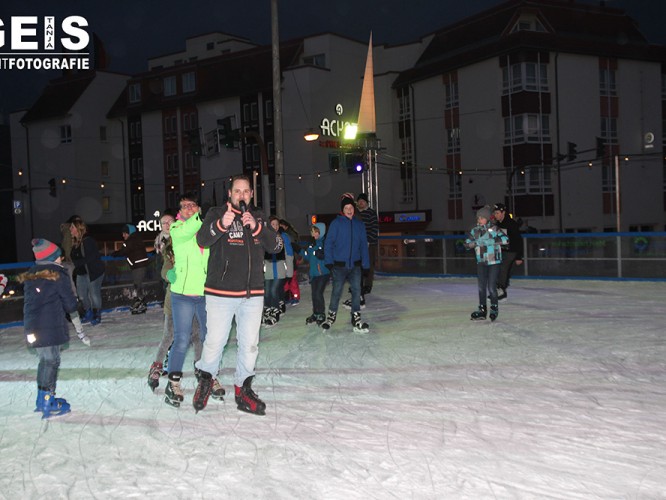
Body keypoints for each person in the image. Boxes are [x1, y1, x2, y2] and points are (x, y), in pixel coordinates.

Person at [192, 175, 283, 415]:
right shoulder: (216, 213)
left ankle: (243, 389)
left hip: (252, 294)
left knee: (250, 345)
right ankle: (206, 379)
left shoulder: (259, 217)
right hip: (221, 293)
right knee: (215, 341)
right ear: (230, 194)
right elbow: (202, 239)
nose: (241, 195)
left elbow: (277, 246)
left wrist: (258, 228)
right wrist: (221, 225)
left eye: (246, 191)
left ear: (251, 194)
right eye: (237, 191)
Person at [163, 194, 225, 407]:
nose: (189, 208)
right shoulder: (177, 228)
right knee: (182, 339)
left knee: (210, 338)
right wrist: (202, 216)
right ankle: (173, 383)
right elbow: (190, 228)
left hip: (205, 293)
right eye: (185, 206)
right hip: (182, 295)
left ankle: (209, 376)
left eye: (192, 205)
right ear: (180, 211)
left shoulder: (204, 229)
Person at [18, 238, 90, 419]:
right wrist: (78, 305)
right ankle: (48, 401)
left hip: (32, 327)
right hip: (49, 327)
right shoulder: (57, 274)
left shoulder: (31, 275)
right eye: (58, 255)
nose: (61, 258)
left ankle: (41, 399)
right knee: (52, 361)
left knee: (45, 362)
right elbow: (69, 304)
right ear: (52, 258)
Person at [322, 195, 370, 333]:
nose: (349, 210)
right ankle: (331, 317)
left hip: (355, 266)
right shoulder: (336, 223)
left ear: (354, 209)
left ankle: (356, 317)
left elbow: (363, 246)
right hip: (339, 266)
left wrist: (366, 265)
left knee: (356, 291)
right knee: (336, 292)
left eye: (351, 207)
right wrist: (329, 262)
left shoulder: (359, 225)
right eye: (346, 208)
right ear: (342, 210)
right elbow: (328, 243)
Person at [465, 205, 509, 321]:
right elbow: (467, 244)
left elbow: (506, 240)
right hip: (481, 262)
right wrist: (475, 243)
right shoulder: (475, 231)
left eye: (482, 218)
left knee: (491, 287)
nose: (479, 220)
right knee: (481, 287)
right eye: (478, 218)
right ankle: (482, 310)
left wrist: (491, 241)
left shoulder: (495, 229)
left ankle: (494, 308)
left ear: (487, 218)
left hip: (494, 261)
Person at [70, 218, 106, 326]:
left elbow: (91, 257)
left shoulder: (88, 240)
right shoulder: (75, 243)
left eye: (72, 227)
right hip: (81, 273)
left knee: (94, 294)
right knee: (81, 294)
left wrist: (77, 263)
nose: (70, 229)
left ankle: (96, 314)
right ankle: (88, 312)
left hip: (93, 272)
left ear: (78, 228)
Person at [113, 224, 150, 314]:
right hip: (140, 265)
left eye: (125, 233)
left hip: (138, 266)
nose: (123, 235)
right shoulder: (136, 238)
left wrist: (115, 253)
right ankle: (141, 303)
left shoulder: (131, 240)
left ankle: (140, 303)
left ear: (129, 233)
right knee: (138, 285)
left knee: (137, 285)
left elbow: (124, 250)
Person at [262, 216, 292, 326]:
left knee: (274, 290)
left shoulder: (283, 237)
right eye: (273, 224)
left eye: (277, 224)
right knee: (267, 291)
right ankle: (268, 309)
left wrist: (289, 271)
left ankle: (275, 311)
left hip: (280, 269)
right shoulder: (265, 237)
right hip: (268, 269)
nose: (275, 226)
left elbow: (289, 254)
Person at [300, 222, 330, 326]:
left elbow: (328, 256)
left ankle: (321, 313)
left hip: (323, 273)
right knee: (314, 294)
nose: (314, 234)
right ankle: (316, 313)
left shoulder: (325, 243)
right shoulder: (312, 244)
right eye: (312, 232)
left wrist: (323, 254)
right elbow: (308, 257)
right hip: (314, 273)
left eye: (316, 232)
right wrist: (300, 251)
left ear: (321, 232)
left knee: (318, 293)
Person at [493, 203, 524, 300]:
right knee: (497, 268)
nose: (495, 215)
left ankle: (501, 290)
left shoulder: (511, 224)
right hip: (502, 250)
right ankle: (499, 289)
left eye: (497, 213)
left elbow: (518, 240)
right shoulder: (498, 224)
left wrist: (519, 256)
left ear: (503, 213)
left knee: (503, 268)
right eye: (495, 213)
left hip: (511, 251)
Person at [355, 193, 378, 295]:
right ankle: (358, 285)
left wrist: (368, 241)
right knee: (357, 265)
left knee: (368, 265)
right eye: (359, 201)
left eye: (362, 201)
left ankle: (368, 285)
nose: (361, 203)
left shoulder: (371, 213)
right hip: (358, 244)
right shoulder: (355, 213)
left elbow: (374, 228)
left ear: (366, 203)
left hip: (369, 244)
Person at [280, 218, 301, 306]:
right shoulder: (285, 235)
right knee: (286, 282)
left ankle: (295, 297)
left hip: (291, 261)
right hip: (285, 262)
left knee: (292, 281)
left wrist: (297, 258)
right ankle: (288, 297)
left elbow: (295, 248)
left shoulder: (288, 236)